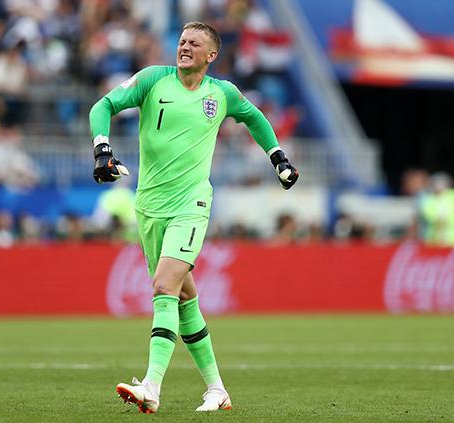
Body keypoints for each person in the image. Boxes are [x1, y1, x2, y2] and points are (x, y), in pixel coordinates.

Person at [88, 21, 299, 414]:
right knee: (184, 296)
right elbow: (103, 106)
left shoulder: (222, 93)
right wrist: (102, 150)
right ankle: (217, 390)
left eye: (194, 43)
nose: (184, 47)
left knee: (164, 285)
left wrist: (278, 157)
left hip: (192, 204)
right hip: (149, 206)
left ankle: (151, 386)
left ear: (211, 55)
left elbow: (254, 117)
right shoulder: (153, 80)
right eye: (182, 41)